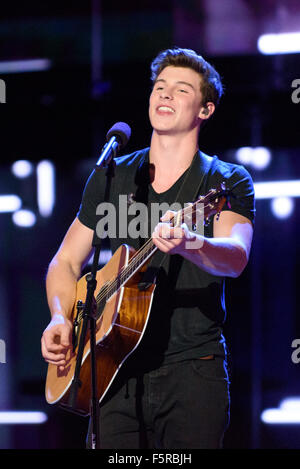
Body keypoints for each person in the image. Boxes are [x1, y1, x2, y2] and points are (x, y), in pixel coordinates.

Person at [41, 47, 255, 449]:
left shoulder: (225, 180)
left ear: (205, 110)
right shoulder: (113, 175)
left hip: (193, 371)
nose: (165, 95)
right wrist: (59, 317)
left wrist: (192, 242)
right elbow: (66, 261)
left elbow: (236, 256)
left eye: (180, 89)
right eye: (160, 87)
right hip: (113, 370)